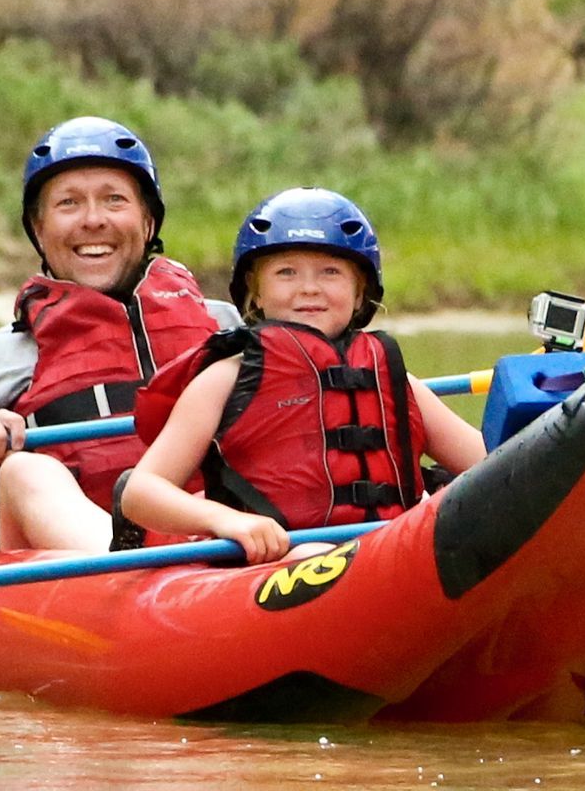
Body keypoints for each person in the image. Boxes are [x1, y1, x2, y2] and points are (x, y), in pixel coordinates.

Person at [0, 116, 239, 551]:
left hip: (219, 543)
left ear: (149, 222)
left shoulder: (226, 331)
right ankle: (125, 563)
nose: (93, 220)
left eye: (114, 200)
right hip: (82, 569)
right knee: (27, 472)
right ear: (39, 231)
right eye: (68, 204)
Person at [114, 187, 488, 562]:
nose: (309, 288)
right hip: (274, 567)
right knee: (309, 554)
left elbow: (491, 462)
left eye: (330, 272)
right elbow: (141, 492)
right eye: (286, 272)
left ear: (360, 294)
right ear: (255, 294)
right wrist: (226, 520)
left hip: (387, 554)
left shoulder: (394, 380)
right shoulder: (224, 379)